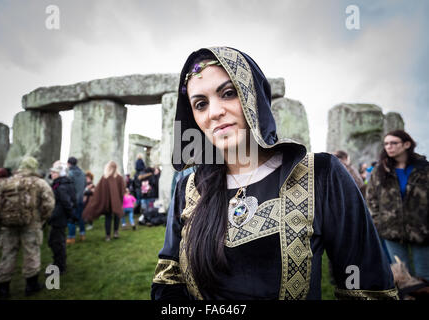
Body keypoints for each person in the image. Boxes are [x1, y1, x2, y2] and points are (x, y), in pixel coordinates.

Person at [151, 46, 398, 300]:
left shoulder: (321, 175)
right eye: (200, 104)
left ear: (253, 96)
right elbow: (169, 279)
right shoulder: (190, 187)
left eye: (228, 93)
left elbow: (367, 286)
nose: (214, 112)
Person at [366, 130, 429, 281]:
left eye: (393, 143)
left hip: (422, 229)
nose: (389, 147)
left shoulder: (424, 170)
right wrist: (378, 221)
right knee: (400, 276)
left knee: (424, 276)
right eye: (386, 143)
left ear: (406, 144)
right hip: (391, 230)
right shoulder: (380, 170)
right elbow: (371, 198)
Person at [0, 156, 55, 299]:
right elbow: (49, 204)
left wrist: (1, 219)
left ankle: (3, 289)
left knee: (7, 254)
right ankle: (31, 286)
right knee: (31, 253)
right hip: (31, 224)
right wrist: (41, 219)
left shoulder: (4, 182)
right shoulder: (39, 183)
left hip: (7, 225)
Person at [82, 160, 125, 241]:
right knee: (116, 216)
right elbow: (122, 190)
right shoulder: (119, 178)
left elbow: (98, 190)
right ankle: (116, 232)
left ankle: (108, 236)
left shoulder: (105, 178)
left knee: (108, 217)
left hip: (107, 202)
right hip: (116, 202)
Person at [47, 161, 76, 275]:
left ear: (60, 173)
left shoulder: (60, 186)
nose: (52, 174)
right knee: (55, 241)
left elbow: (66, 202)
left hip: (58, 217)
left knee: (57, 242)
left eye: (54, 172)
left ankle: (59, 266)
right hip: (58, 216)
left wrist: (70, 215)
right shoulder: (62, 183)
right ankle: (58, 263)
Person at [66, 156, 86, 244]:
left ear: (69, 163)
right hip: (81, 198)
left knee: (71, 218)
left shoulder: (70, 173)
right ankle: (82, 234)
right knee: (81, 217)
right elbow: (85, 184)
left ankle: (71, 237)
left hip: (72, 199)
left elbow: (69, 187)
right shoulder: (82, 173)